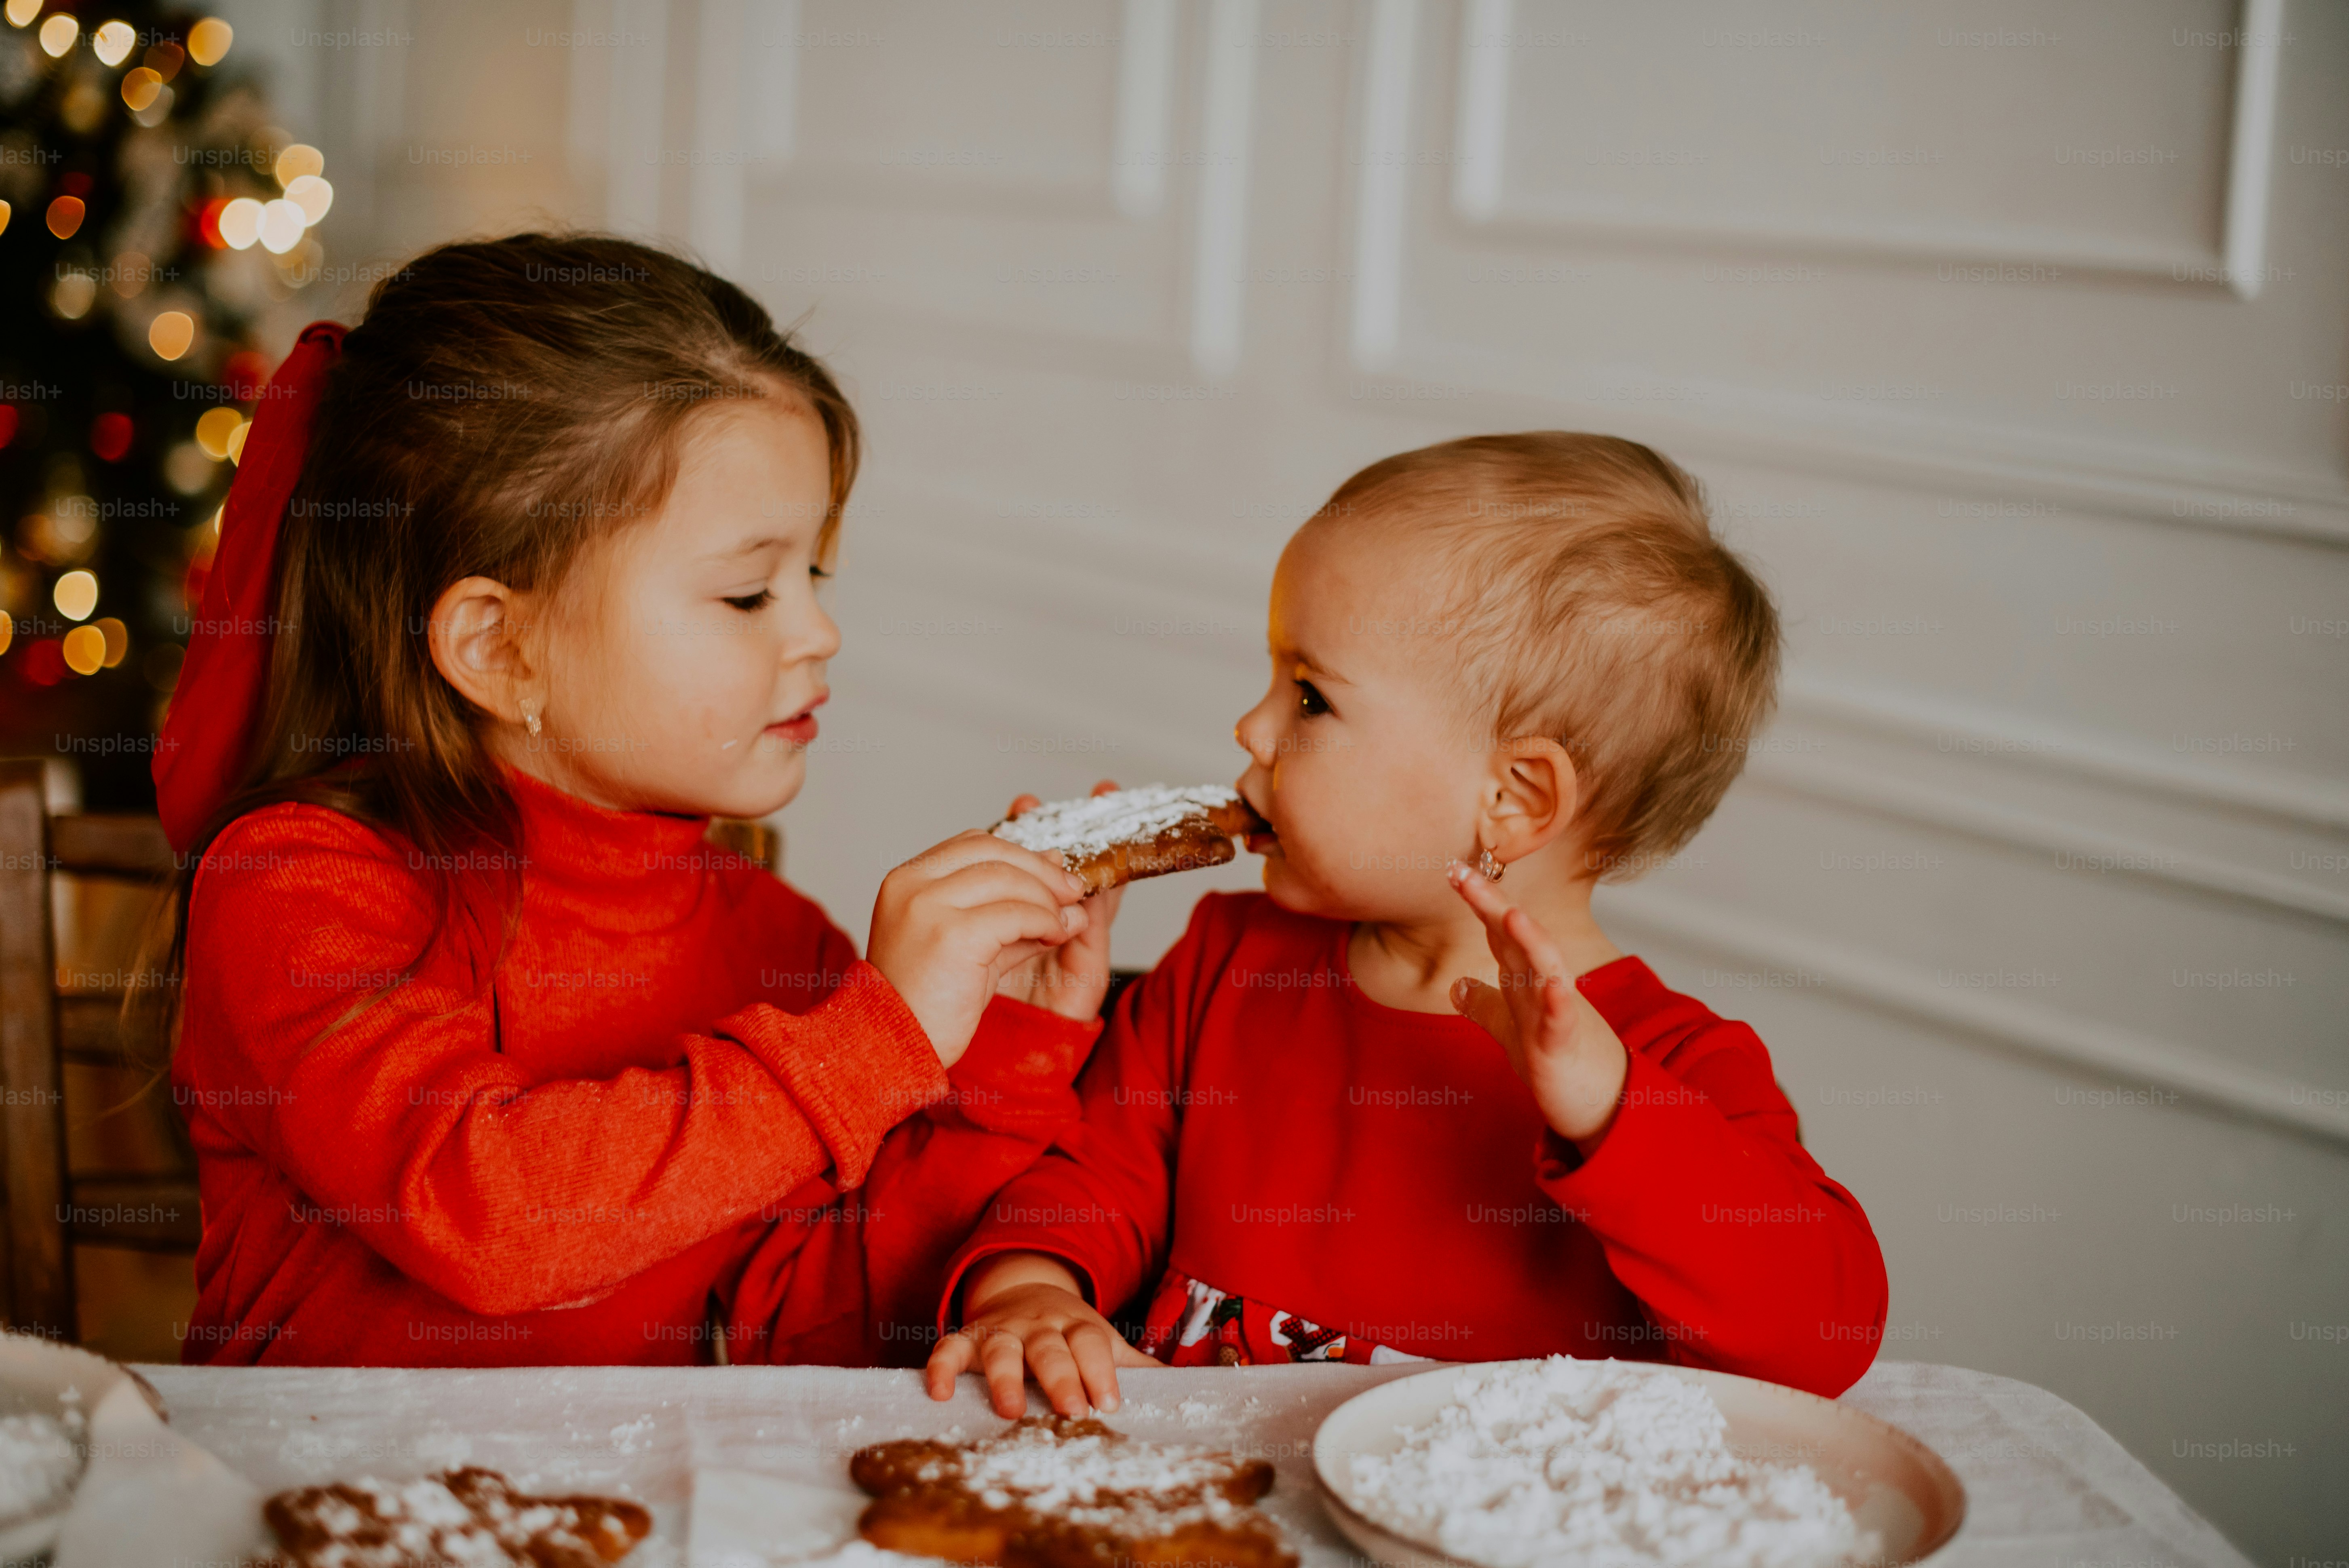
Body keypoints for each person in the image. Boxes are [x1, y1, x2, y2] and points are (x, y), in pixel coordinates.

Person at [156, 232, 1113, 1365]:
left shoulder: (774, 941)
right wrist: (873, 1042)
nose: (819, 633)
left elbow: (816, 1325)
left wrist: (997, 1055)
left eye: (813, 577)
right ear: (501, 647)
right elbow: (489, 1214)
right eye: (749, 591)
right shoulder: (299, 889)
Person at [924, 433, 1889, 1413]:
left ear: (1511, 796)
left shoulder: (1667, 1064)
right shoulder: (1227, 959)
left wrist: (1609, 1109)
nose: (1250, 729)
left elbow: (1822, 1334)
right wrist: (1034, 1289)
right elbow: (1089, 1174)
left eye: (1309, 696)